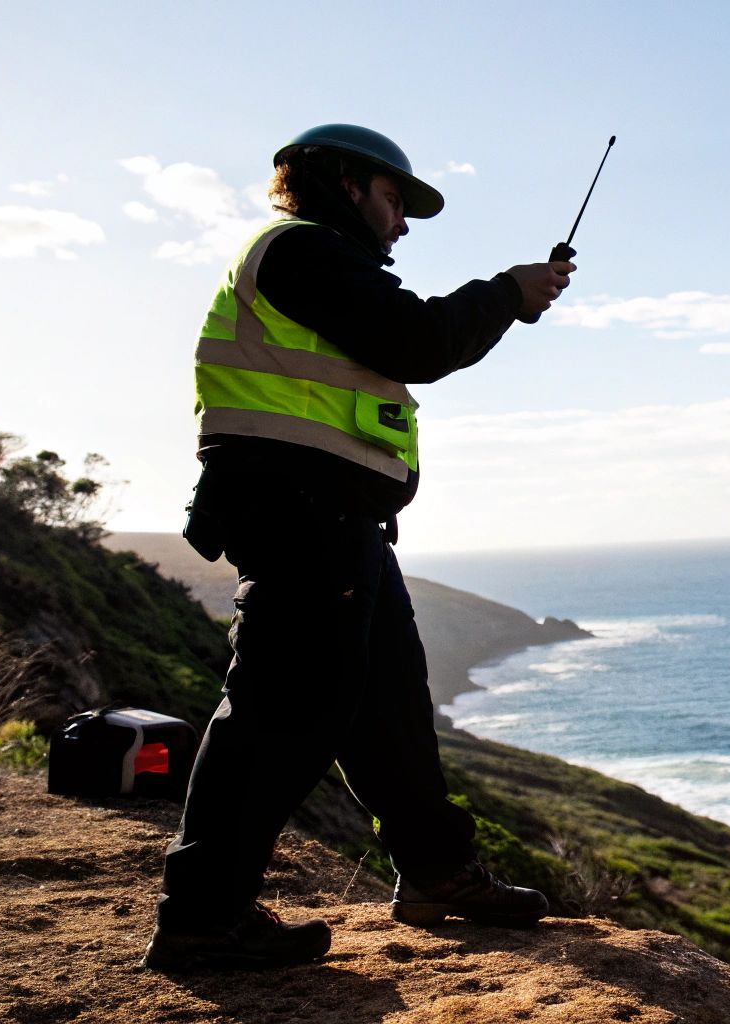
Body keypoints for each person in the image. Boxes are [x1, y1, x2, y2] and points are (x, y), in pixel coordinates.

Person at [144, 123, 574, 971]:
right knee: (278, 716)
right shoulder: (302, 251)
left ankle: (438, 876)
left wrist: (506, 301)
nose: (402, 226)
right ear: (345, 184)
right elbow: (417, 342)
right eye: (393, 202)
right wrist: (508, 294)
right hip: (302, 516)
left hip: (339, 523)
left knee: (391, 714)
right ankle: (200, 920)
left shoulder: (319, 263)